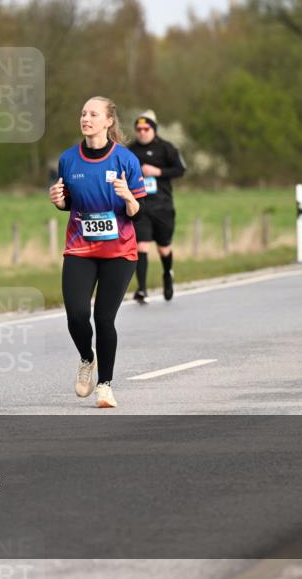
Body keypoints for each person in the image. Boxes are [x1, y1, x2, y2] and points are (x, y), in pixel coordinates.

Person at [49, 96, 146, 408]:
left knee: (104, 318)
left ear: (108, 122)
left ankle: (105, 385)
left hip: (119, 251)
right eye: (83, 113)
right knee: (77, 314)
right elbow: (67, 203)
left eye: (93, 114)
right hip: (80, 247)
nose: (86, 118)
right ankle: (86, 357)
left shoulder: (126, 161)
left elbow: (137, 211)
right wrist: (58, 200)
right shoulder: (68, 160)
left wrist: (128, 197)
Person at [127, 109, 185, 303]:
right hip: (140, 206)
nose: (142, 132)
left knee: (163, 248)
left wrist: (157, 171)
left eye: (146, 128)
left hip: (163, 206)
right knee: (140, 245)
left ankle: (167, 274)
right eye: (139, 128)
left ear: (153, 130)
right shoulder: (130, 151)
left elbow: (180, 169)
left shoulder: (166, 148)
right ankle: (142, 289)